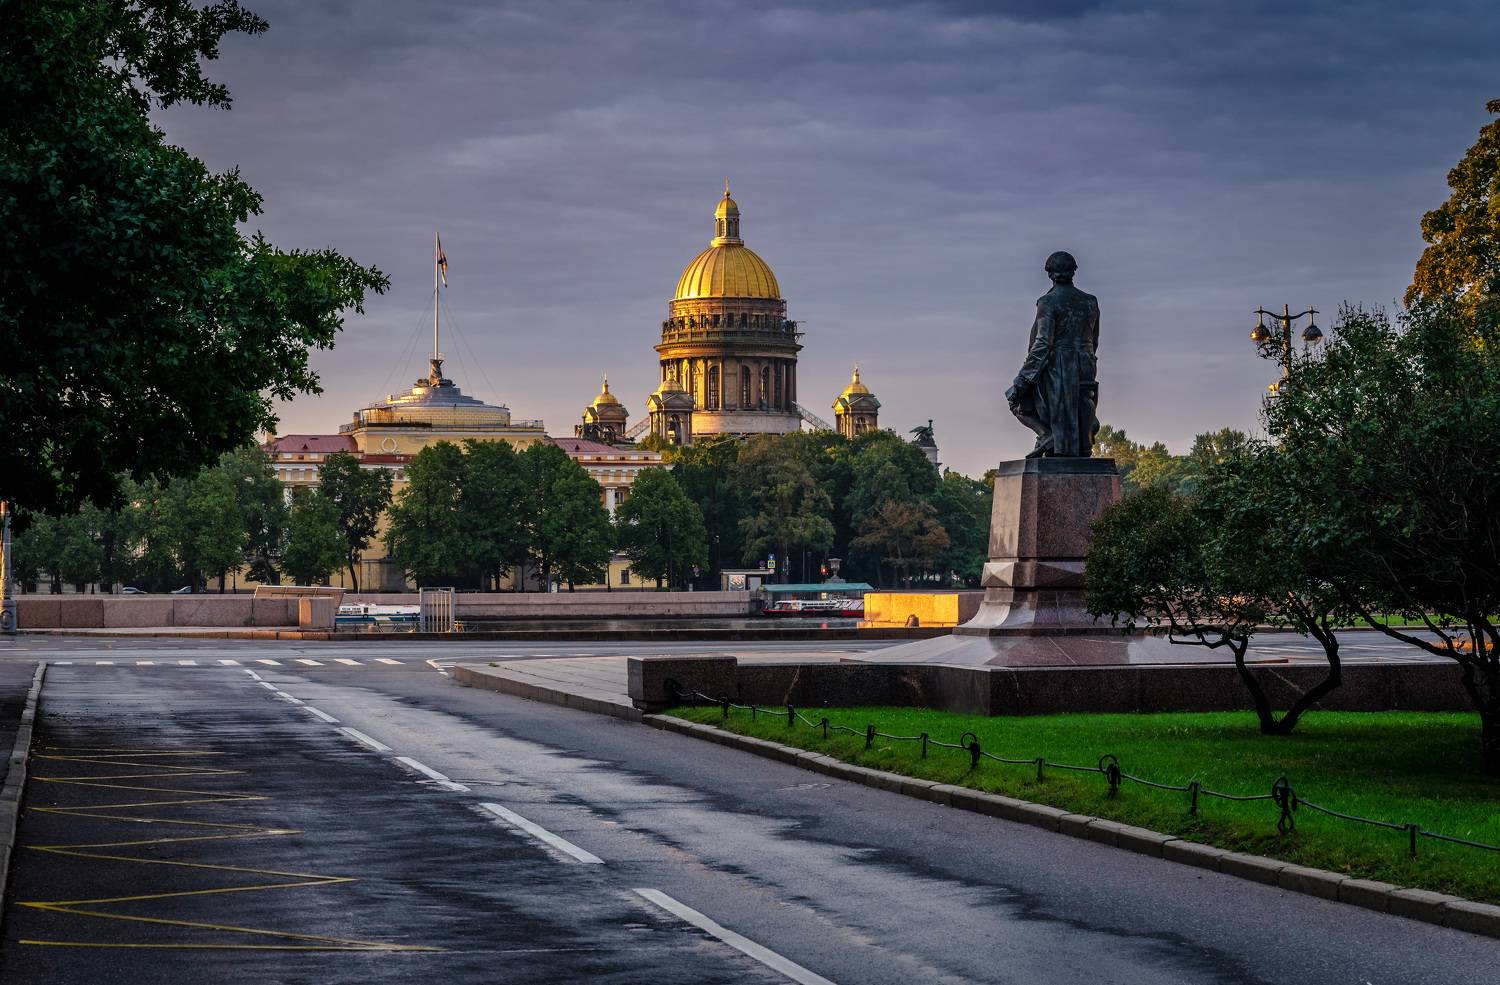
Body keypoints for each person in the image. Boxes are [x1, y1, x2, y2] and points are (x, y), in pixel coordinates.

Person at [1005, 251, 1100, 457]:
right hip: (1086, 364)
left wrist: (1023, 379)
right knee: (1084, 402)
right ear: (1073, 271)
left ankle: (1046, 435)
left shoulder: (1048, 302)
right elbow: (1094, 341)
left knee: (1016, 400)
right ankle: (1081, 436)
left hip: (1058, 366)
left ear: (1050, 274)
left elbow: (1042, 344)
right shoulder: (1090, 302)